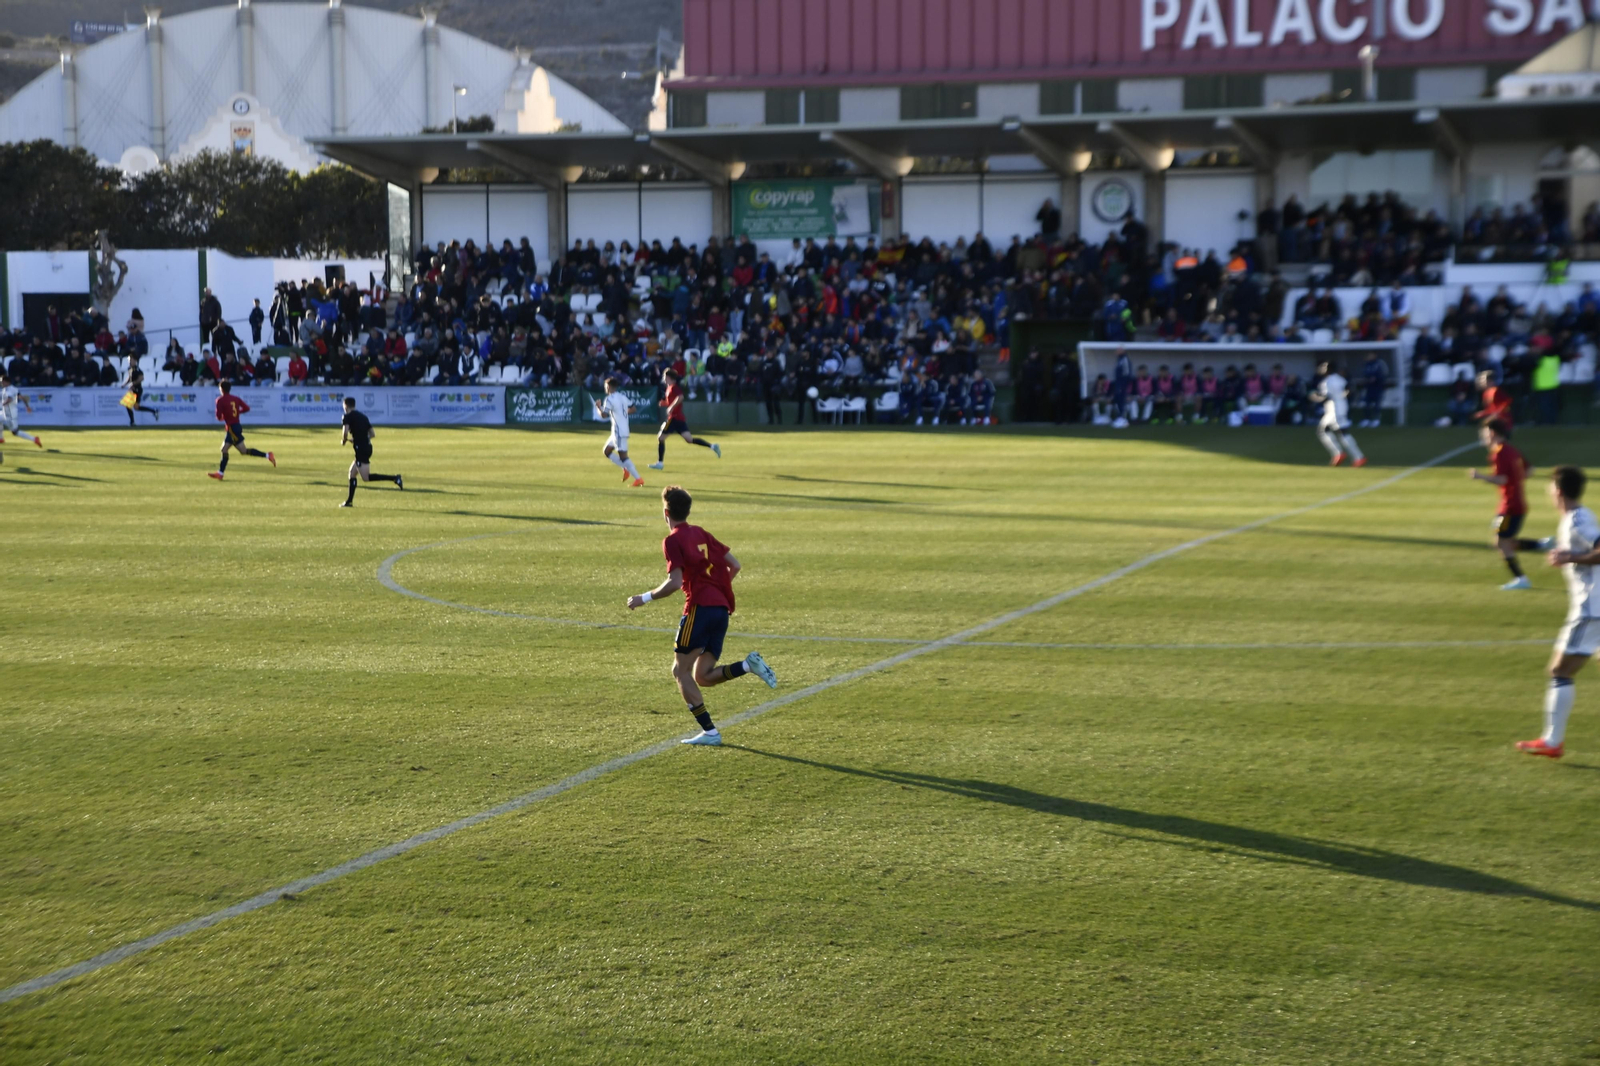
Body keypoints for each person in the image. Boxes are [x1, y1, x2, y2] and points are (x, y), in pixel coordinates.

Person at [625, 485, 778, 746]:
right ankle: (747, 666)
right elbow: (735, 565)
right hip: (720, 610)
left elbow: (674, 583)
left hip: (699, 609)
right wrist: (717, 589)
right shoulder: (701, 533)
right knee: (703, 676)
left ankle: (710, 732)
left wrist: (644, 598)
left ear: (666, 513)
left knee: (680, 670)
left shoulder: (672, 540)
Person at [1518, 465, 1600, 758]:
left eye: (1551, 487)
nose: (1549, 492)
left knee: (1559, 670)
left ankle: (1553, 742)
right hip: (1595, 605)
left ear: (1559, 491)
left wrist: (1570, 557)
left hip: (1591, 609)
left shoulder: (1577, 520)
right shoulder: (1579, 516)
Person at [1469, 419, 1547, 590]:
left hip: (1509, 507)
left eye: (1484, 432)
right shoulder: (1511, 449)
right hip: (1516, 503)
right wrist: (1515, 480)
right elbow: (1530, 470)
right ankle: (1541, 546)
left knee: (1500, 542)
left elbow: (1502, 479)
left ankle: (1523, 576)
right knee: (1501, 542)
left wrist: (1480, 476)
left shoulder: (1499, 452)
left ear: (1492, 433)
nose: (1482, 436)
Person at [650, 368, 720, 470]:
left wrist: (671, 407)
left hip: (673, 418)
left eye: (664, 377)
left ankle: (660, 463)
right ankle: (713, 446)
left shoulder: (674, 387)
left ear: (668, 377)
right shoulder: (669, 388)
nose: (663, 379)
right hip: (679, 418)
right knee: (689, 439)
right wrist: (665, 403)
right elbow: (673, 400)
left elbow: (680, 397)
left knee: (661, 438)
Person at [338, 397, 402, 507]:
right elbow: (372, 434)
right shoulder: (363, 416)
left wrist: (344, 441)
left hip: (361, 449)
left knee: (366, 478)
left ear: (346, 406)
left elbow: (345, 432)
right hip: (367, 447)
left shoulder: (347, 416)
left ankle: (395, 478)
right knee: (352, 473)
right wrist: (358, 439)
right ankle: (349, 501)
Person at [207, 381, 275, 481]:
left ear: (221, 389)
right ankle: (268, 455)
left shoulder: (220, 400)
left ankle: (220, 473)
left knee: (226, 450)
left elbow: (218, 416)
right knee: (241, 451)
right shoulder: (236, 398)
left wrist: (224, 416)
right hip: (236, 426)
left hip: (232, 429)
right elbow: (247, 408)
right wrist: (238, 412)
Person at [1311, 360, 1366, 468]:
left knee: (1341, 432)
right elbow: (1349, 389)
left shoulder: (1327, 381)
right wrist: (1343, 397)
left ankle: (1358, 457)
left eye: (1324, 367)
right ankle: (1339, 454)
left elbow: (1325, 397)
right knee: (1325, 430)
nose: (1321, 368)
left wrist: (1314, 397)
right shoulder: (1339, 378)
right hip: (1338, 408)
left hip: (1335, 409)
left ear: (1328, 369)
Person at [595, 376, 645, 487]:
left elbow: (603, 415)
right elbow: (633, 408)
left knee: (623, 457)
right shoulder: (622, 396)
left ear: (608, 387)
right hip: (617, 431)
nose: (605, 388)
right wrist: (622, 414)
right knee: (607, 451)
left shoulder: (609, 399)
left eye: (605, 386)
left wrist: (598, 407)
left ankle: (638, 479)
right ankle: (625, 468)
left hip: (619, 432)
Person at [0, 374, 42, 461]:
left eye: (2, 382)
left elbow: (9, 399)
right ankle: (1, 438)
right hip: (6, 413)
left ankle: (34, 439)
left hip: (10, 414)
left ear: (6, 382)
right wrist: (27, 406)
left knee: (15, 432)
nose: (1, 383)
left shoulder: (10, 390)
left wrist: (2, 404)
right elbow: (22, 398)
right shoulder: (11, 389)